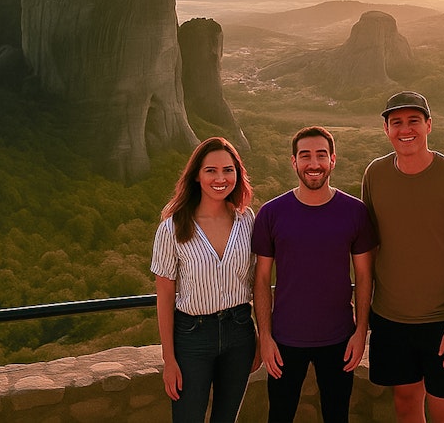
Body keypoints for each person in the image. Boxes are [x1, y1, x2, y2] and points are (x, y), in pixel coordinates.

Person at [361, 91, 444, 423]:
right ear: (386, 129)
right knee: (405, 405)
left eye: (414, 121)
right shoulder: (374, 174)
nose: (406, 129)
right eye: (396, 122)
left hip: (442, 323)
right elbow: (369, 247)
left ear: (429, 125)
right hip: (390, 321)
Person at [252, 126, 377, 422]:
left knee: (337, 416)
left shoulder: (354, 212)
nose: (313, 163)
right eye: (305, 155)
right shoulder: (271, 213)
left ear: (333, 160)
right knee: (279, 416)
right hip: (284, 339)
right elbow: (260, 280)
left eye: (321, 155)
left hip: (339, 338)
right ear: (294, 161)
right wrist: (265, 338)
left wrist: (361, 332)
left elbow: (364, 277)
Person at [150, 137, 261, 423]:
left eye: (228, 170)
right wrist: (169, 360)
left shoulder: (247, 220)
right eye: (211, 170)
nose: (220, 178)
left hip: (240, 332)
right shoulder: (172, 227)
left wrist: (262, 337)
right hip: (192, 337)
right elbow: (164, 296)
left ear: (238, 174)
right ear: (196, 176)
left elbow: (256, 284)